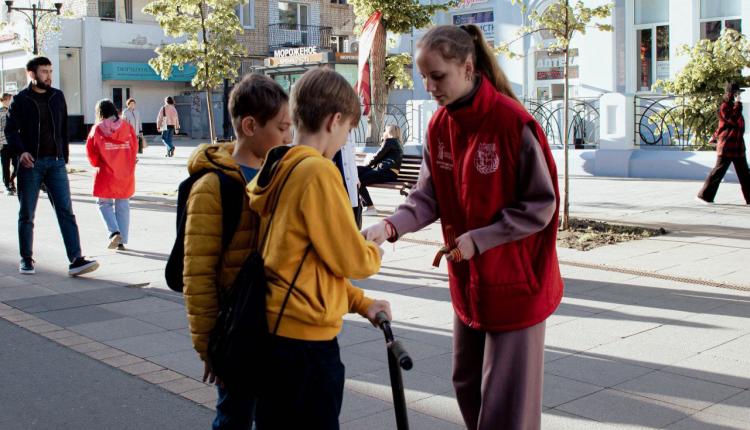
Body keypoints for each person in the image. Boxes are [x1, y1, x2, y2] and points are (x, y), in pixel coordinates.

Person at [362, 25, 563, 430]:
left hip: (515, 284)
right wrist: (389, 227)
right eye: (424, 77)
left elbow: (542, 204)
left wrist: (480, 239)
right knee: (467, 385)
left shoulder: (512, 123)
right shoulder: (440, 125)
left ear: (468, 67)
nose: (429, 87)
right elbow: (427, 197)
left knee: (506, 408)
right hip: (469, 283)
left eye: (438, 76)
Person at [246, 68, 391, 430]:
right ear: (335, 120)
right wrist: (372, 250)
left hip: (276, 335)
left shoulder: (280, 167)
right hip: (306, 347)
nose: (343, 141)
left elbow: (308, 260)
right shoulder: (318, 172)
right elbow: (350, 259)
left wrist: (361, 303)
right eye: (347, 132)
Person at [183, 73, 292, 430]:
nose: (287, 136)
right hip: (237, 332)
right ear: (249, 125)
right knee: (234, 417)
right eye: (281, 127)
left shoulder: (278, 176)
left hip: (275, 324)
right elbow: (197, 276)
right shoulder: (212, 186)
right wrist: (210, 348)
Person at [5, 56, 99, 276]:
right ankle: (26, 259)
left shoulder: (57, 96)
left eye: (50, 71)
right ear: (32, 74)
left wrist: (63, 158)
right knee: (27, 213)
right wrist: (22, 152)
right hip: (31, 165)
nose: (48, 75)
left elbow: (64, 128)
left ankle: (76, 259)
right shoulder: (20, 100)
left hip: (55, 163)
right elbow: (10, 131)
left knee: (66, 211)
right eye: (44, 71)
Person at [86, 99, 138, 251]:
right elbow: (134, 147)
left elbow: (91, 152)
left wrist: (98, 163)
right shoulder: (127, 127)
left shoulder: (97, 129)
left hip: (106, 172)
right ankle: (122, 239)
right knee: (123, 204)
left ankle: (114, 231)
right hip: (125, 171)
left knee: (104, 203)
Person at [697, 82, 750, 204]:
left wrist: (715, 136)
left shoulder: (735, 106)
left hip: (738, 147)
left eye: (739, 93)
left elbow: (724, 126)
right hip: (727, 147)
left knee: (745, 174)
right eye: (737, 93)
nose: (739, 96)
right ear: (731, 93)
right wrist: (738, 104)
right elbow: (732, 120)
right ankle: (704, 196)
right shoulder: (725, 106)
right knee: (718, 172)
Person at [357, 124, 404, 215]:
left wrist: (367, 166)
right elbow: (380, 158)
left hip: (386, 172)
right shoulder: (397, 143)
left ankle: (370, 207)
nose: (383, 133)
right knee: (356, 171)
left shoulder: (390, 142)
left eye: (385, 131)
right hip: (388, 172)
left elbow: (377, 157)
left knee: (358, 180)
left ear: (389, 132)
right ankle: (365, 205)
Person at [0, 92, 17, 195]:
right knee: (5, 167)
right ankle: (8, 186)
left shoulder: (14, 111)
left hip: (14, 143)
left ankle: (11, 181)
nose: (11, 101)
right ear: (5, 100)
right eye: (9, 99)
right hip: (4, 144)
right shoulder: (1, 112)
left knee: (17, 165)